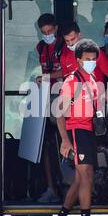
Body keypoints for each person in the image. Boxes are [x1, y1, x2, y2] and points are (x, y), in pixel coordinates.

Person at [50, 39, 104, 216]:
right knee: (86, 177)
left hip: (88, 132)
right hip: (76, 131)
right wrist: (64, 140)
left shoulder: (92, 80)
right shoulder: (71, 81)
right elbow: (59, 113)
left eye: (93, 59)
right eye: (87, 59)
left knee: (82, 177)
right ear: (79, 60)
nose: (91, 62)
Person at [35, 13, 63, 203]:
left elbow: (66, 70)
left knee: (65, 143)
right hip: (47, 98)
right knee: (46, 145)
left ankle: (68, 187)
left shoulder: (65, 47)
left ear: (56, 29)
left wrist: (48, 77)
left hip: (64, 100)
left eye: (50, 31)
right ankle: (51, 187)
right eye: (44, 32)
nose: (47, 35)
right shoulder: (40, 47)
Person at [60, 21, 108, 86]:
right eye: (67, 41)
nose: (70, 43)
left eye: (73, 39)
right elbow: (66, 79)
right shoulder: (64, 56)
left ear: (80, 35)